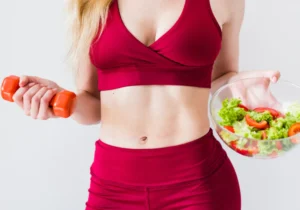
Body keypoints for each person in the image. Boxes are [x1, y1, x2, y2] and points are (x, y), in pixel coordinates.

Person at [13, 0, 280, 209]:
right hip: (112, 185)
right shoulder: (92, 3)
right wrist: (61, 100)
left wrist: (242, 85)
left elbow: (222, 77)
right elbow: (92, 103)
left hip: (197, 183)